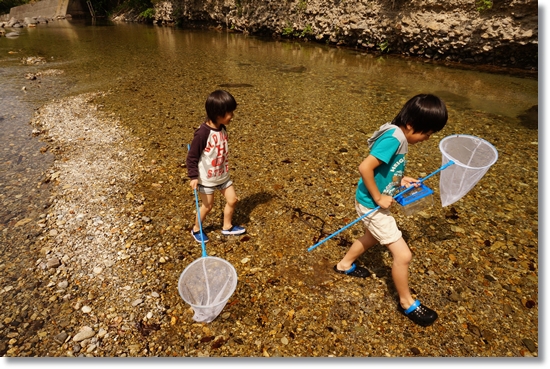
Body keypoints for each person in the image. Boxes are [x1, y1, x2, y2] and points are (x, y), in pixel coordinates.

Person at [334, 94, 448, 327]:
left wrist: (401, 180)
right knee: (403, 255)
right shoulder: (394, 139)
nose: (427, 138)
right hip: (370, 202)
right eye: (427, 132)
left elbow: (386, 168)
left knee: (371, 238)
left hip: (370, 200)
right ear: (410, 125)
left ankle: (344, 265)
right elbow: (365, 167)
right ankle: (406, 303)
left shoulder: (398, 134)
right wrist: (378, 197)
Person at [186, 90, 246, 243]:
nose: (232, 116)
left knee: (233, 200)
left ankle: (227, 227)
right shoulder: (202, 134)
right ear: (217, 114)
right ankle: (196, 229)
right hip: (206, 179)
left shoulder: (222, 128)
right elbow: (192, 156)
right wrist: (193, 176)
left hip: (222, 176)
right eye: (229, 113)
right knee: (208, 206)